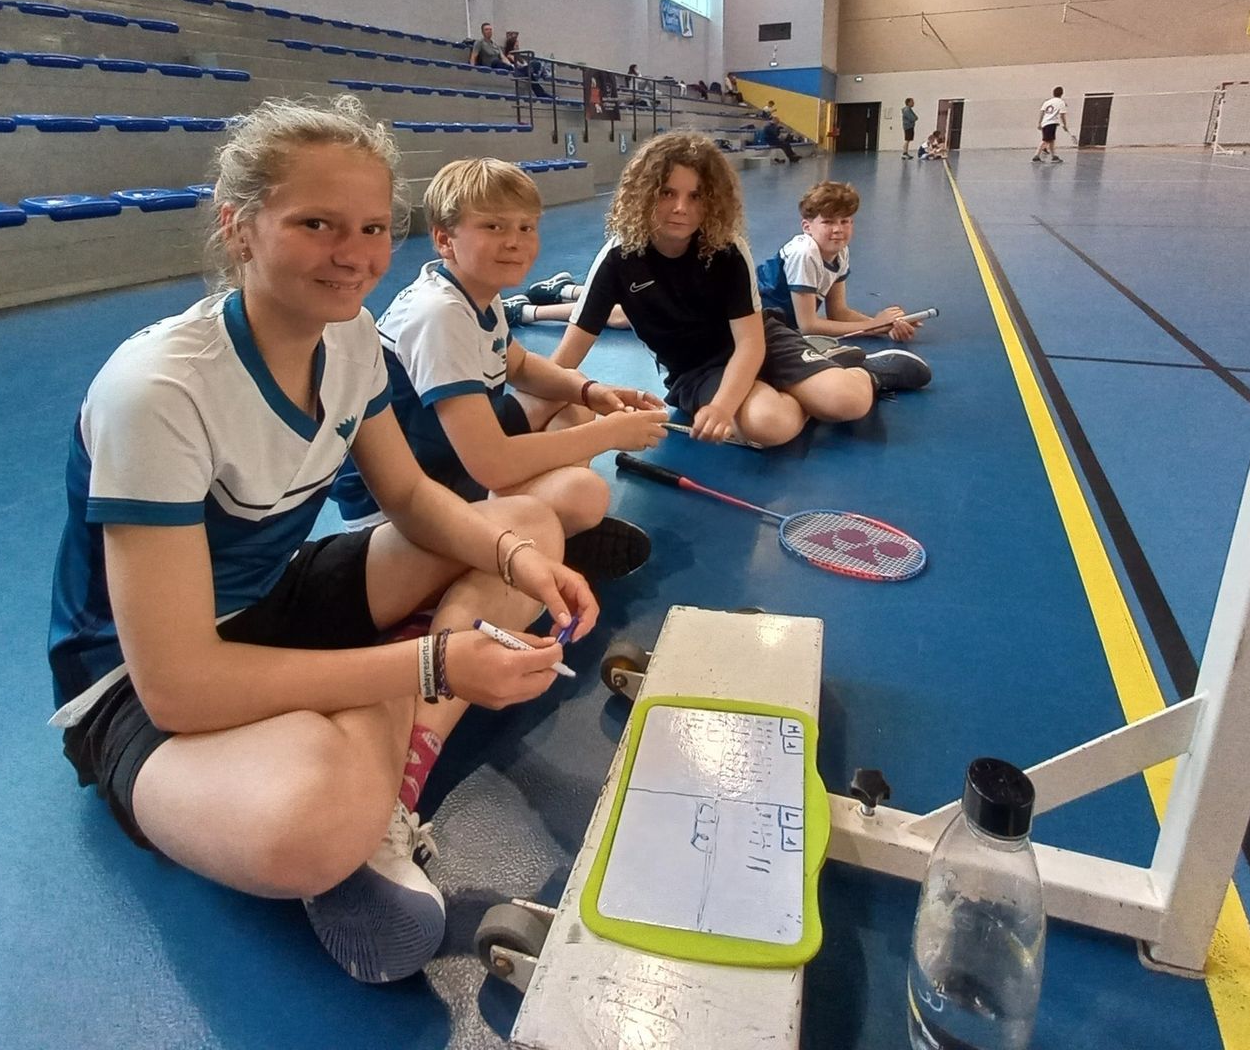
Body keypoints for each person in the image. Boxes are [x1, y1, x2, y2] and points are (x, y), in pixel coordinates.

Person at [47, 97, 599, 987]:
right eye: (317, 224)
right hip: (138, 684)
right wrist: (431, 665)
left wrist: (518, 562)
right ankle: (369, 755)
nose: (355, 254)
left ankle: (392, 779)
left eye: (373, 228)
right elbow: (178, 684)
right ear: (238, 225)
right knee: (309, 823)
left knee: (529, 522)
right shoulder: (158, 392)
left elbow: (409, 496)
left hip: (277, 602)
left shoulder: (349, 338)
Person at [329, 157, 667, 550]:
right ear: (444, 239)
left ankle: (529, 520)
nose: (514, 241)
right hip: (403, 506)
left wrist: (591, 392)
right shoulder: (439, 314)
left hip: (449, 453)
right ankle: (528, 526)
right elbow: (492, 463)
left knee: (572, 396)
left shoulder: (474, 291)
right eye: (494, 226)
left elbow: (519, 365)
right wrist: (608, 435)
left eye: (526, 227)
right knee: (583, 493)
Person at [549, 132, 915, 450]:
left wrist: (723, 407)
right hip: (695, 371)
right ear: (643, 195)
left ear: (712, 200)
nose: (681, 208)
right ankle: (804, 387)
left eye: (696, 196)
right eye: (667, 193)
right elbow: (564, 363)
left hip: (758, 342)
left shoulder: (726, 249)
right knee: (771, 424)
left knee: (848, 402)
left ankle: (870, 373)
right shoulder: (618, 257)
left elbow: (751, 344)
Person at [756, 183, 931, 389]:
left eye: (845, 221)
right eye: (828, 222)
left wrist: (884, 325)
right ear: (807, 227)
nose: (838, 229)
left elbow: (838, 311)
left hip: (785, 327)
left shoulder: (840, 251)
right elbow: (808, 326)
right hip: (759, 327)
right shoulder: (804, 253)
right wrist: (873, 326)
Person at [1035, 87, 1069, 163]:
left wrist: (1040, 123)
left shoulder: (1047, 102)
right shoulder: (1061, 102)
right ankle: (1036, 156)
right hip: (1051, 122)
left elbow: (1042, 112)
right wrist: (1064, 125)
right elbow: (1062, 115)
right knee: (1046, 140)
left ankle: (1054, 156)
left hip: (1045, 122)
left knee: (1051, 140)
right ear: (1062, 94)